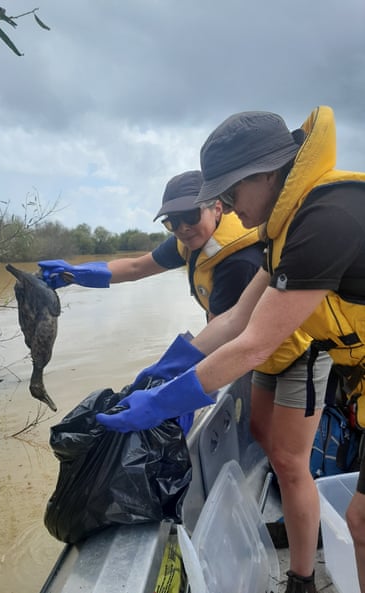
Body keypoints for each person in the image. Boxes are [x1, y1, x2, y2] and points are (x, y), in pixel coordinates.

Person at [96, 106, 365, 593]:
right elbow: (239, 319)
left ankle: (302, 580)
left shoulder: (324, 221)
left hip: (315, 362)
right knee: (338, 502)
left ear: (264, 174)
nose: (227, 206)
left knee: (353, 517)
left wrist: (162, 402)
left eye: (228, 193)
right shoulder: (284, 229)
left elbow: (254, 344)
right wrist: (164, 372)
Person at [38, 170, 264, 322]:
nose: (183, 228)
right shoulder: (189, 242)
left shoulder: (239, 262)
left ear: (216, 208)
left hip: (274, 359)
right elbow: (136, 268)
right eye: (172, 222)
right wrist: (74, 274)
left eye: (190, 215)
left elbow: (221, 333)